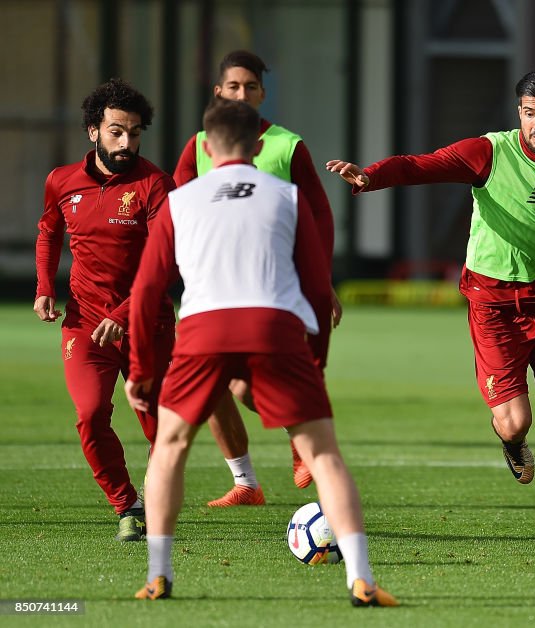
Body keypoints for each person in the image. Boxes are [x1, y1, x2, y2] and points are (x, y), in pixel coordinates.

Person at [326, 67, 535, 544]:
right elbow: (425, 165)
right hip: (493, 304)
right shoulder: (490, 151)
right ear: (518, 114)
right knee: (515, 420)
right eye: (528, 114)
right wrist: (370, 177)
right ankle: (512, 439)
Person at [126, 99, 396, 606]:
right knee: (324, 455)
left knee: (169, 449)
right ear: (256, 147)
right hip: (274, 327)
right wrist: (316, 358)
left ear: (205, 147)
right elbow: (317, 288)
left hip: (202, 331)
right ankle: (361, 579)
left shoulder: (180, 201)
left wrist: (141, 370)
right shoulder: (287, 198)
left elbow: (146, 290)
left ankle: (158, 577)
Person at [173, 50, 342, 507]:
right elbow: (176, 212)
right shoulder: (199, 147)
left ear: (263, 94)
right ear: (218, 93)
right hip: (213, 290)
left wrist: (321, 281)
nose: (242, 94)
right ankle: (246, 482)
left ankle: (297, 432)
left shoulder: (287, 145)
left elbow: (320, 216)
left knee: (247, 386)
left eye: (250, 87)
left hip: (274, 291)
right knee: (214, 390)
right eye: (234, 87)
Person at [34, 78, 176, 542]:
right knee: (91, 415)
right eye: (116, 131)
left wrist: (124, 313)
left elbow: (166, 259)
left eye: (134, 133)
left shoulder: (155, 183)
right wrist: (43, 287)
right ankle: (126, 504)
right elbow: (49, 232)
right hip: (85, 324)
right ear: (93, 131)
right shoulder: (61, 180)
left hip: (146, 325)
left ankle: (157, 502)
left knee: (160, 428)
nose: (126, 142)